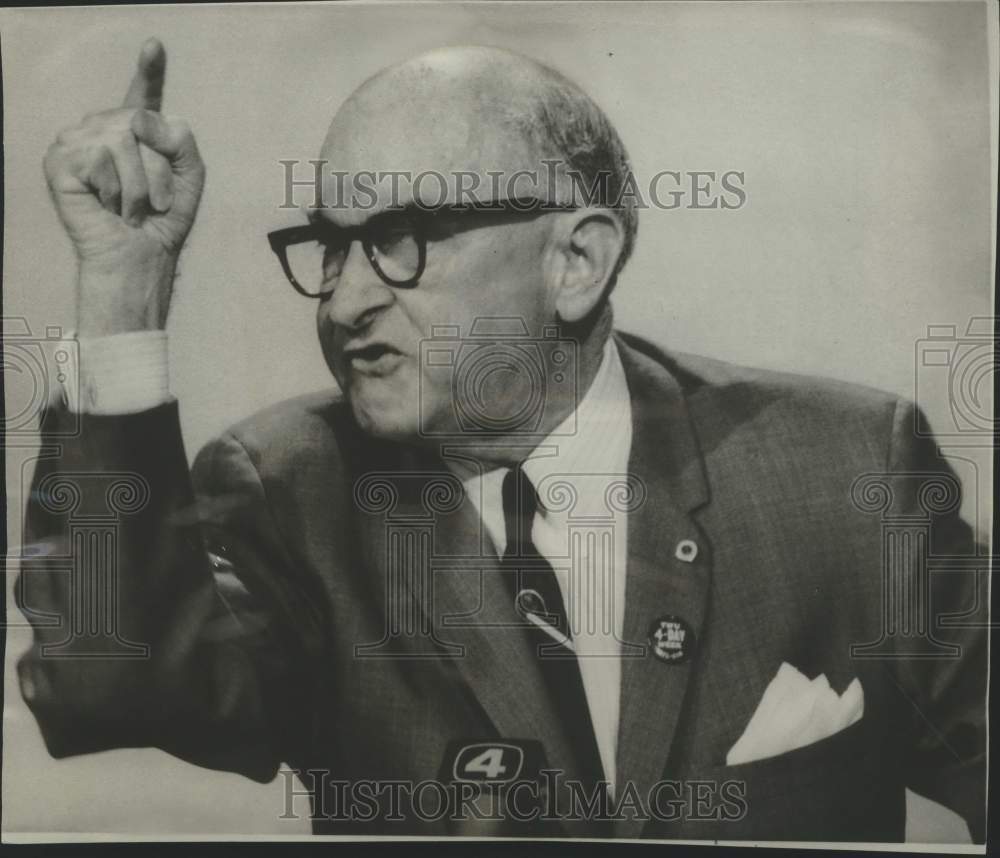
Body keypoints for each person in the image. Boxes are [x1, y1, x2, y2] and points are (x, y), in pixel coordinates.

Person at [16, 38, 986, 840]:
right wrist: (121, 295)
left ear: (576, 261)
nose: (346, 299)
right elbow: (106, 685)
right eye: (332, 246)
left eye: (402, 237)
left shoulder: (846, 471)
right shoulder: (292, 490)